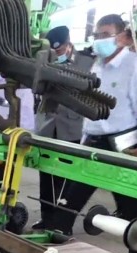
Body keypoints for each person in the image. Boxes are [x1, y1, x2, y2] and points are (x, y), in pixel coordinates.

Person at [53, 14, 137, 253]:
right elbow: (92, 108)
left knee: (130, 208)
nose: (100, 40)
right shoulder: (98, 65)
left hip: (123, 147)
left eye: (106, 35)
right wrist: (84, 140)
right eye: (97, 35)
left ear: (122, 37)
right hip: (94, 143)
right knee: (69, 202)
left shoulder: (136, 65)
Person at [31, 26, 95, 231]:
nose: (56, 54)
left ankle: (62, 223)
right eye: (53, 50)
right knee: (46, 176)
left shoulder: (86, 63)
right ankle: (46, 218)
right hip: (48, 127)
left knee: (68, 179)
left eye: (59, 50)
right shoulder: (44, 60)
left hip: (72, 128)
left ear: (68, 45)